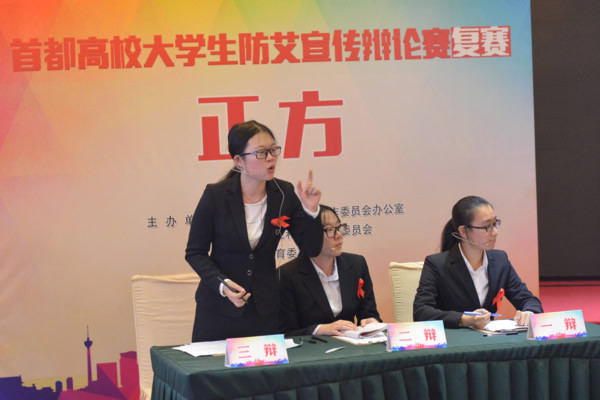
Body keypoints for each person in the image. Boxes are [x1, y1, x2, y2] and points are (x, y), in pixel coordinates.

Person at [185, 120, 324, 342]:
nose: (270, 158)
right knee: (214, 366)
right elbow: (195, 252)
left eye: (273, 150)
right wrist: (222, 284)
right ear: (238, 161)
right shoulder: (215, 195)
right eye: (261, 152)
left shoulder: (284, 193)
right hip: (217, 311)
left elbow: (312, 248)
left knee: (263, 365)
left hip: (264, 312)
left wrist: (311, 212)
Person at [413, 196, 543, 329]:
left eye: (495, 223)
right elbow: (421, 311)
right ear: (464, 231)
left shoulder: (500, 261)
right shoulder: (436, 264)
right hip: (454, 338)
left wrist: (529, 312)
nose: (495, 232)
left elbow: (528, 299)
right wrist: (464, 320)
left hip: (489, 337)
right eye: (487, 226)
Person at [278, 205, 381, 336]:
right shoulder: (287, 275)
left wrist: (370, 322)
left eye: (339, 227)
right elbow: (285, 333)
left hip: (351, 344)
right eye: (330, 230)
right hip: (312, 347)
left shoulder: (356, 264)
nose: (338, 235)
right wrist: (319, 330)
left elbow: (369, 313)